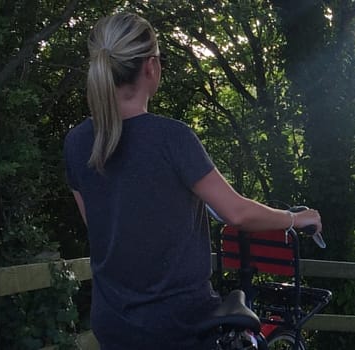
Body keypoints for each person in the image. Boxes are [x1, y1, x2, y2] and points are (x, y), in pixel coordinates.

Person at [63, 13, 322, 349]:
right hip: (179, 325)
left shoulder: (76, 142)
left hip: (113, 324)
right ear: (151, 67)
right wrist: (295, 218)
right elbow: (236, 213)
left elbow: (97, 226)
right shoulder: (172, 138)